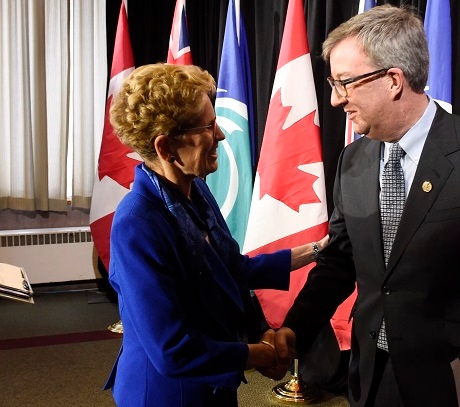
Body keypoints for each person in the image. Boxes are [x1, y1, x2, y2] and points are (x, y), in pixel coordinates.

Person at [270, 5, 460, 406]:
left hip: (452, 385)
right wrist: (295, 328)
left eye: (344, 83)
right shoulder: (353, 160)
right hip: (371, 378)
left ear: (393, 80)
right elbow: (339, 262)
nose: (335, 100)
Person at [102, 63, 322, 406]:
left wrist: (318, 249)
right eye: (208, 125)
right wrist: (262, 355)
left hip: (214, 387)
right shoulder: (137, 223)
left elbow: (231, 269)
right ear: (166, 147)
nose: (219, 134)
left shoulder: (195, 191)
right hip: (167, 395)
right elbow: (172, 350)